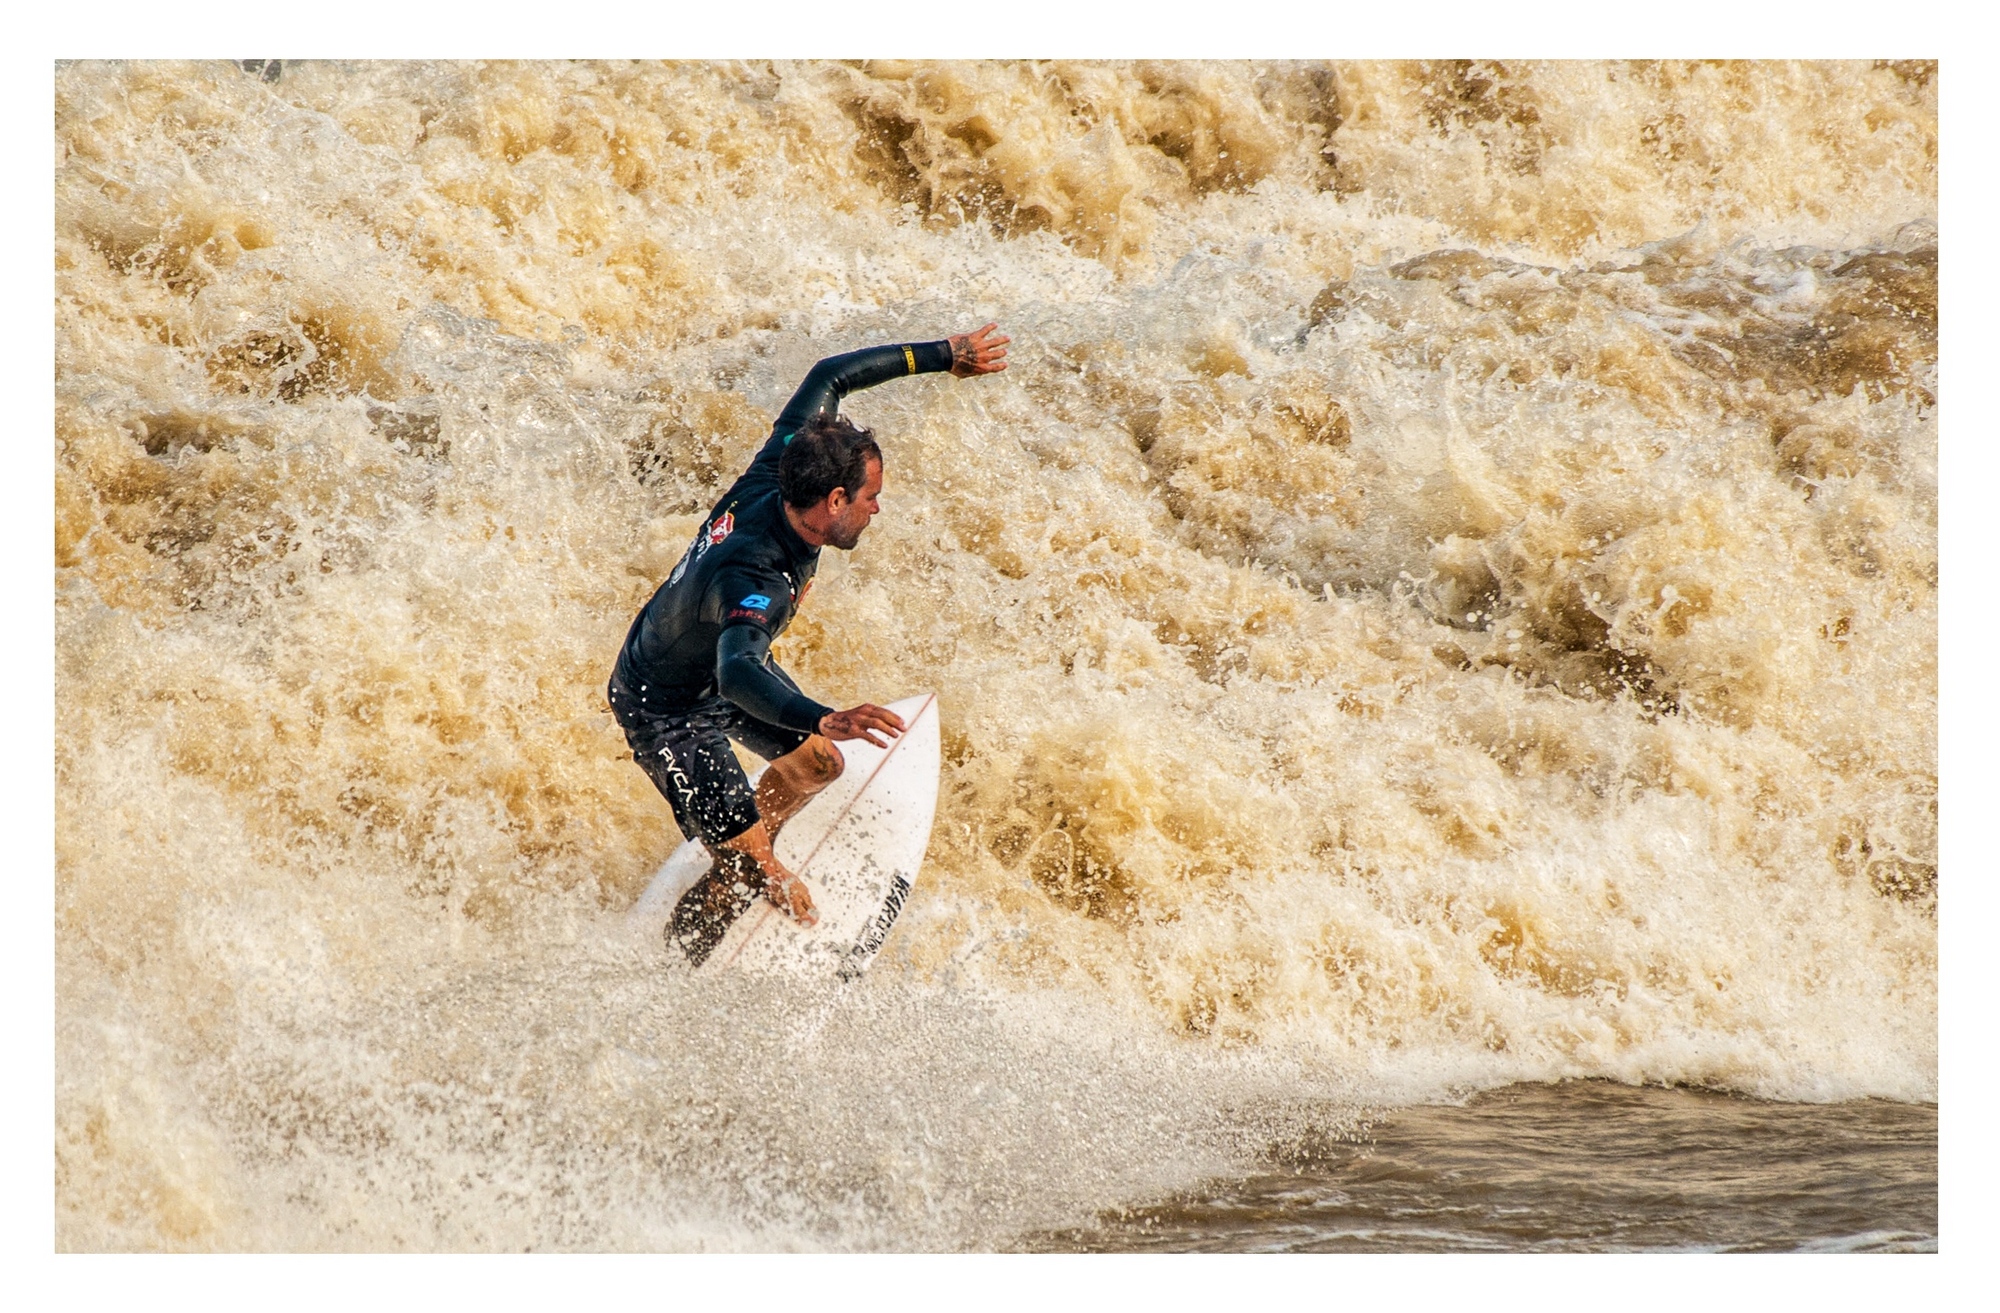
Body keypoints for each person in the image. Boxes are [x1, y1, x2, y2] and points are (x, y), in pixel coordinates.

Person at [609, 323, 1010, 964]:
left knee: (819, 764)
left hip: (709, 660)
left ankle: (740, 842)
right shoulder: (756, 578)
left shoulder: (788, 458)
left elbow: (830, 375)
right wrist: (824, 715)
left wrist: (945, 355)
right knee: (748, 870)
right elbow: (740, 669)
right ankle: (685, 949)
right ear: (833, 500)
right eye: (870, 498)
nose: (876, 510)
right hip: (666, 707)